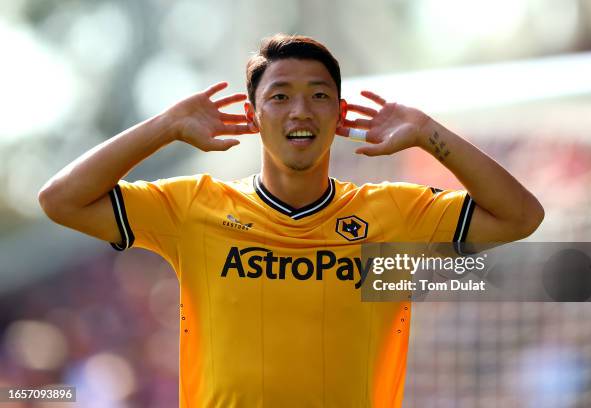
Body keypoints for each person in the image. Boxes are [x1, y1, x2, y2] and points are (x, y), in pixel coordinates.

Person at [38, 34, 544, 407]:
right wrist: (165, 127)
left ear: (340, 113)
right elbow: (61, 200)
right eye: (279, 96)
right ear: (253, 114)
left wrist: (430, 132)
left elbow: (522, 216)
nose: (300, 110)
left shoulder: (393, 215)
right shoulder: (195, 207)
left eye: (318, 95)